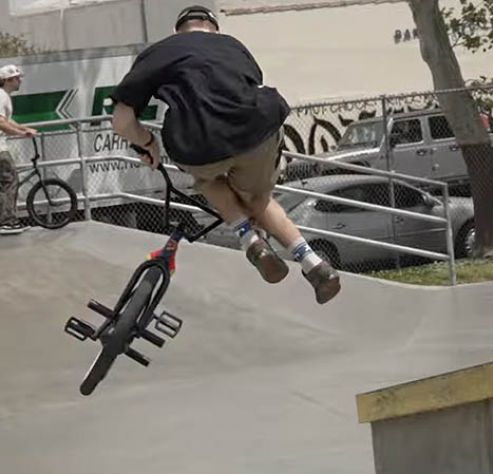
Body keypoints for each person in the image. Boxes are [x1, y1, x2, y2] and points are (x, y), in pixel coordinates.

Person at [109, 5, 341, 304]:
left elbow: (122, 122)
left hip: (198, 143)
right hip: (257, 126)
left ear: (177, 31)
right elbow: (251, 81)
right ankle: (313, 263)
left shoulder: (160, 52)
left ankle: (249, 240)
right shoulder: (232, 45)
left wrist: (147, 142)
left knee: (208, 181)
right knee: (258, 200)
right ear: (213, 28)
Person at [0, 64, 39, 235]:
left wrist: (23, 128)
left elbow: (7, 121)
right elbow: (0, 122)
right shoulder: (0, 97)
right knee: (9, 180)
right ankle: (6, 222)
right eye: (17, 78)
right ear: (7, 80)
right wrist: (21, 134)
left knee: (9, 179)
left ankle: (5, 218)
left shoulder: (2, 96)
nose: (19, 81)